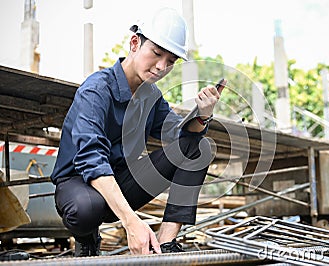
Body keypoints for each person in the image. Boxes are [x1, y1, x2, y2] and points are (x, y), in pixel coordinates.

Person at [50, 8, 225, 257]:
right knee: (86, 208)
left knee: (198, 146)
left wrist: (203, 114)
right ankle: (88, 240)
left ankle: (166, 242)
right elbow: (92, 161)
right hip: (80, 184)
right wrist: (132, 223)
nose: (162, 67)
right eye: (156, 53)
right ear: (135, 43)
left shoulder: (151, 96)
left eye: (171, 61)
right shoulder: (96, 90)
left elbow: (182, 138)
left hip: (122, 182)